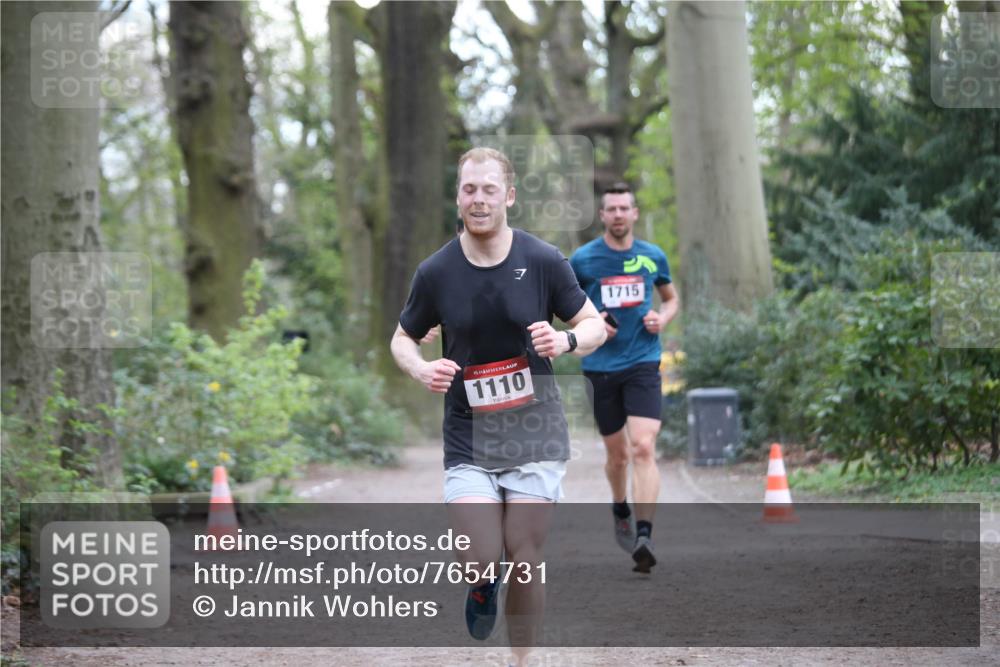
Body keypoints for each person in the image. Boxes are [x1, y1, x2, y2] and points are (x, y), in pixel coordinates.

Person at [390, 147, 605, 665]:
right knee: (480, 558)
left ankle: (521, 661)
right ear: (458, 197)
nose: (478, 199)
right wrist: (420, 367)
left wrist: (566, 342)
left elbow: (594, 324)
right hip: (468, 433)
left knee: (525, 558)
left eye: (489, 189)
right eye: (469, 189)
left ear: (507, 196)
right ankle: (482, 584)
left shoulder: (543, 260)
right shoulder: (436, 272)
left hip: (534, 428)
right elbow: (402, 338)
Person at [569, 183, 679, 573]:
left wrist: (661, 318)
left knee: (644, 448)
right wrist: (590, 322)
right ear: (602, 216)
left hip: (644, 362)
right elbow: (563, 307)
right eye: (611, 209)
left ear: (635, 213)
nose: (618, 214)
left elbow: (670, 297)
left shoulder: (652, 256)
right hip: (600, 368)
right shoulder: (582, 260)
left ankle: (644, 535)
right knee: (617, 457)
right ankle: (620, 507)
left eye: (624, 208)